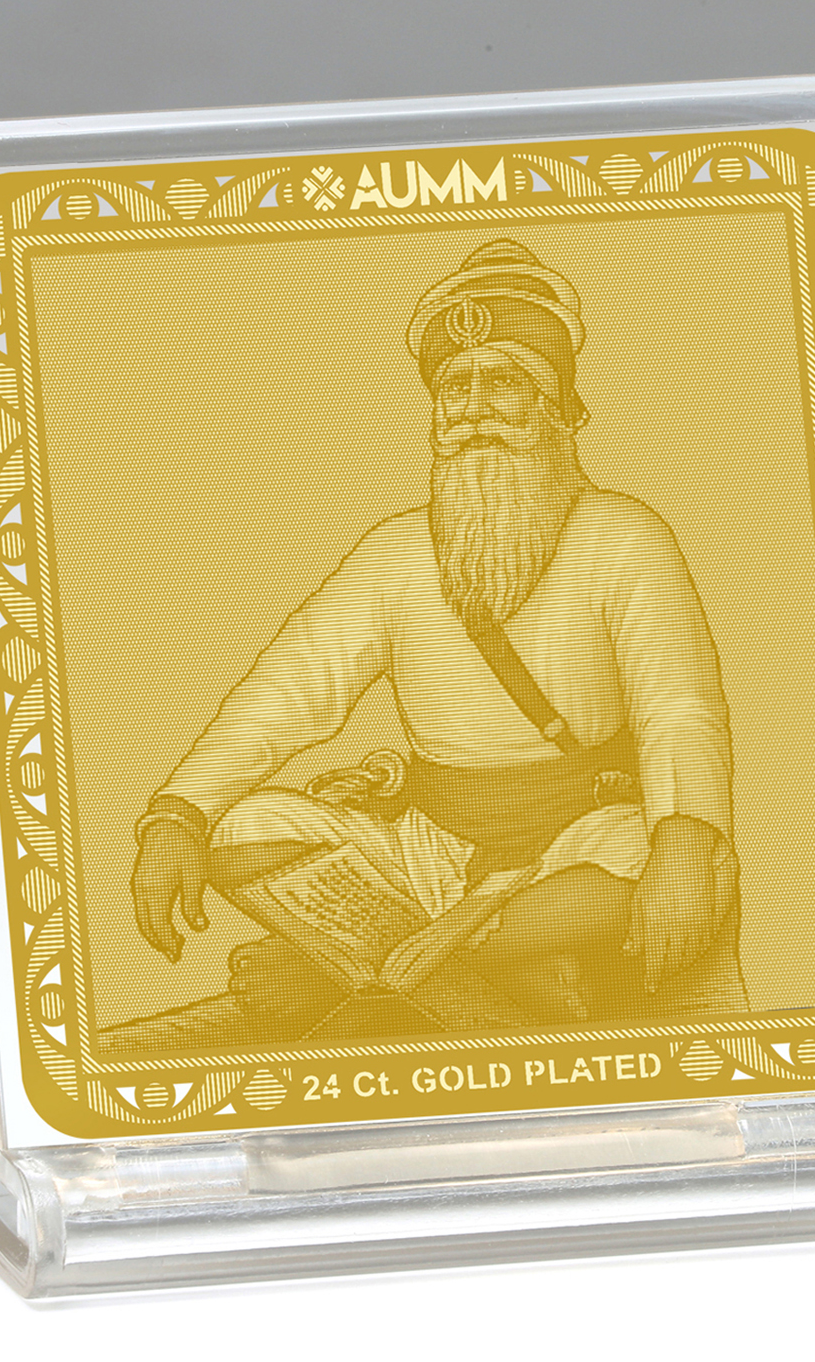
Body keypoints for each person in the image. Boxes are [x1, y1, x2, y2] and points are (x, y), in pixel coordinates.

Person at [125, 239, 745, 1034]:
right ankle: (475, 963)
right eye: (456, 386)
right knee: (242, 831)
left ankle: (340, 973)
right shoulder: (393, 553)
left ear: (558, 409)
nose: (474, 406)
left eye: (504, 381)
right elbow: (287, 691)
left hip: (576, 845)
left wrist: (683, 845)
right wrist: (178, 815)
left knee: (667, 861)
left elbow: (678, 710)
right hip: (425, 857)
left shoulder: (623, 536)